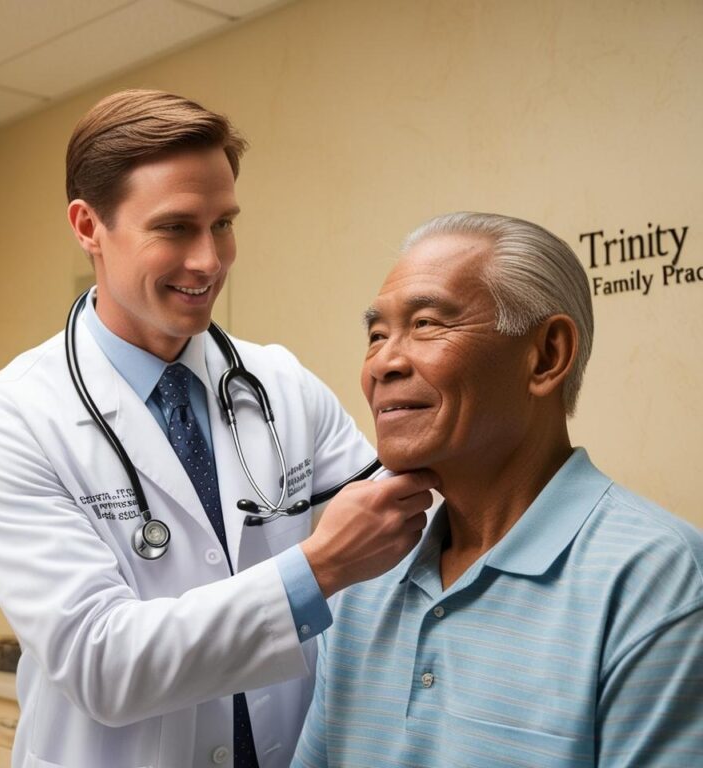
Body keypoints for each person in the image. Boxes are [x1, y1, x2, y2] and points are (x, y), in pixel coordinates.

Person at [0, 89, 436, 768]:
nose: (209, 261)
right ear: (89, 226)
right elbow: (102, 663)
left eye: (224, 224)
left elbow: (401, 539)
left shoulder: (282, 387)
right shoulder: (8, 421)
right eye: (176, 228)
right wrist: (317, 569)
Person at [292, 212, 703, 767]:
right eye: (376, 335)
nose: (383, 363)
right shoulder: (363, 573)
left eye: (427, 324)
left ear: (547, 356)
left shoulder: (657, 578)